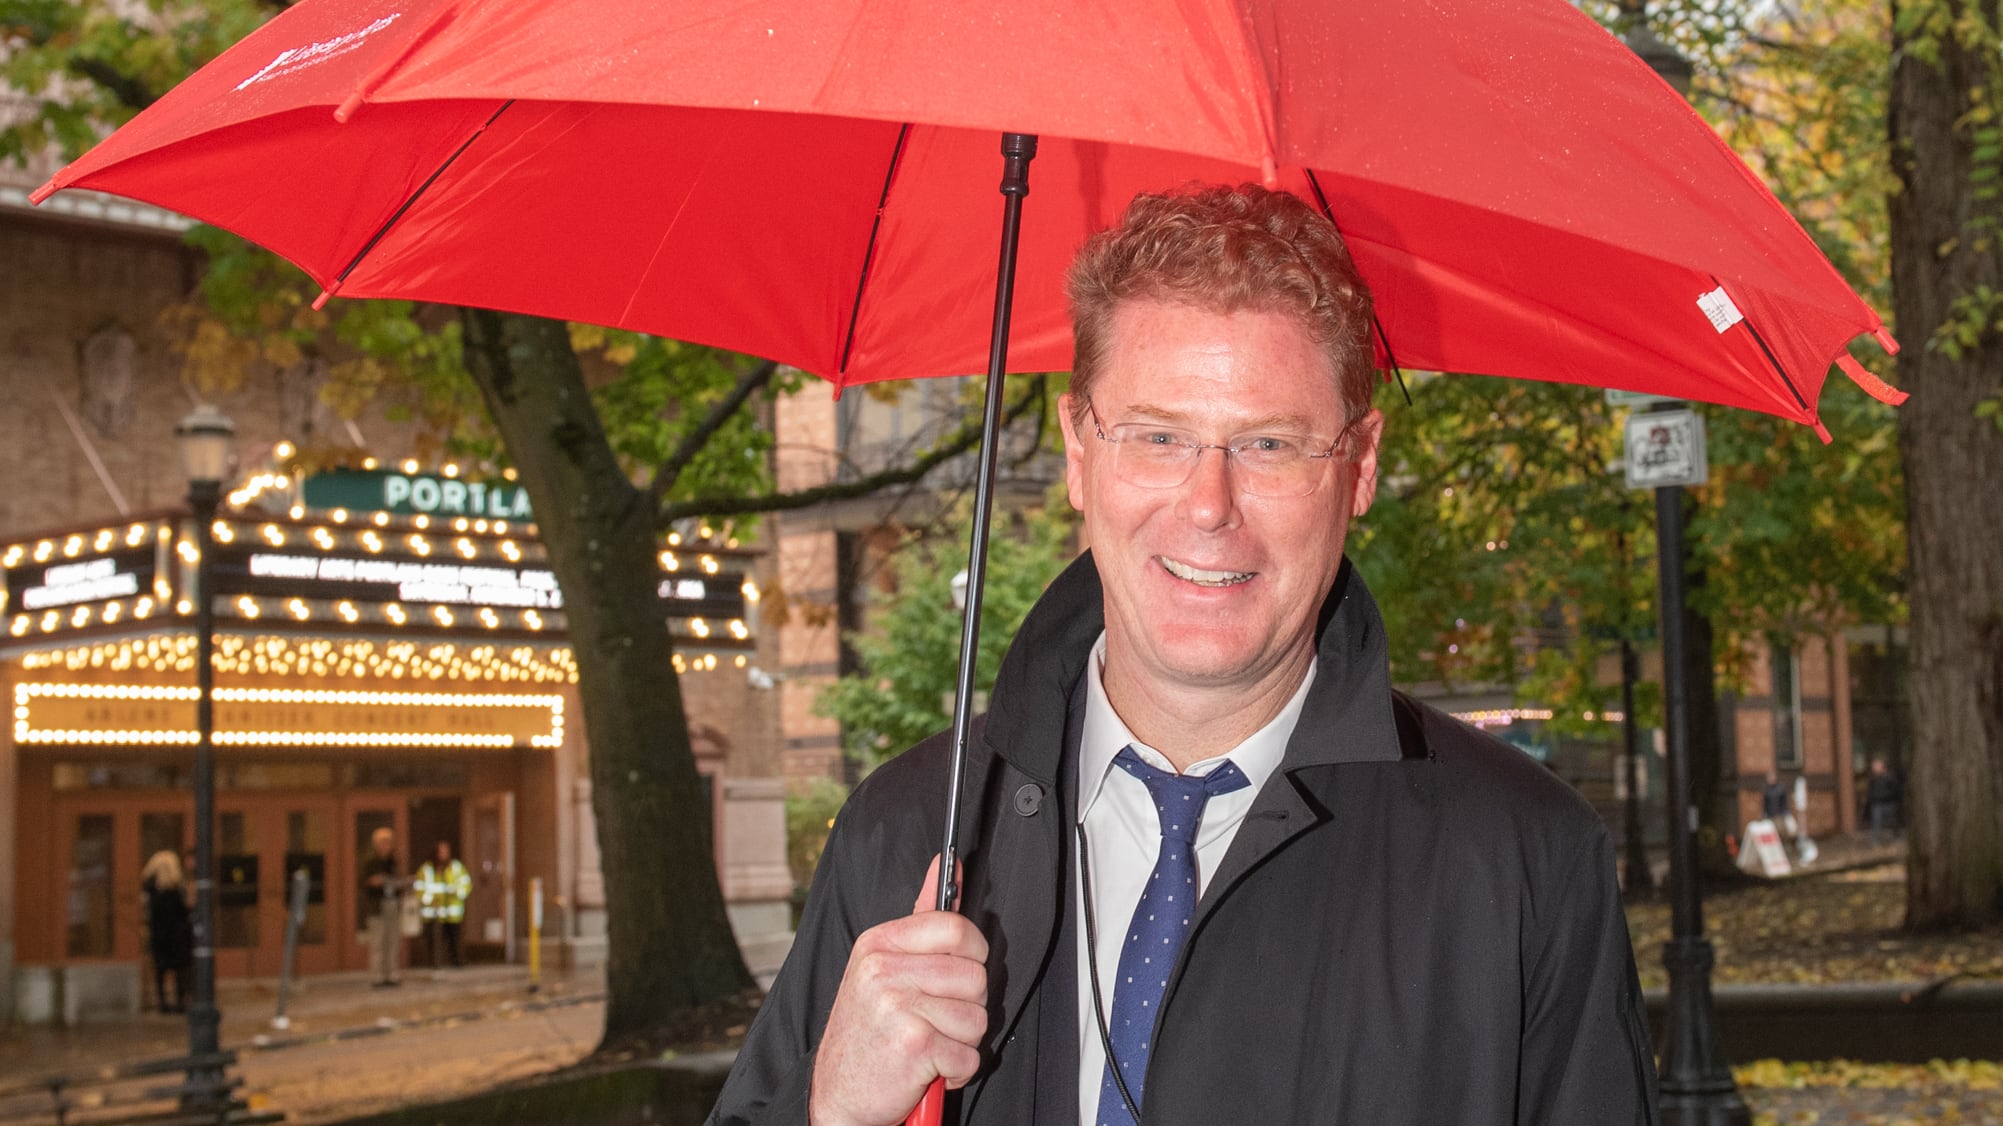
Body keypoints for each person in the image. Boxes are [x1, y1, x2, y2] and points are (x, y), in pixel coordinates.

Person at [710, 184, 1658, 1125]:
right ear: (1079, 450)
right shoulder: (908, 830)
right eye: (1158, 436)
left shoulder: (1524, 860)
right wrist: (832, 1111)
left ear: (1360, 465)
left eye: (1270, 444)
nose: (1208, 505)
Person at [140, 850, 193, 1014]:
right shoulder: (176, 892)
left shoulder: (151, 893)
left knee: (161, 971)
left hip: (159, 937)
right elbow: (184, 913)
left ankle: (163, 1003)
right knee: (179, 971)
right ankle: (179, 1002)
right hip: (176, 937)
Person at [416, 840, 472, 968]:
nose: (444, 854)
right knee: (433, 940)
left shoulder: (456, 867)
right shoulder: (427, 869)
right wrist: (429, 900)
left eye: (446, 851)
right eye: (441, 852)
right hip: (433, 912)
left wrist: (457, 893)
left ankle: (456, 961)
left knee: (454, 939)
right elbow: (419, 888)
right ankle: (435, 963)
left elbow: (466, 884)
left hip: (452, 913)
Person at [359, 826, 403, 987]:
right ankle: (377, 977)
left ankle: (392, 975)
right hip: (376, 906)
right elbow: (362, 883)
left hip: (393, 905)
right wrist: (373, 882)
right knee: (378, 943)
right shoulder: (369, 863)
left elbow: (400, 881)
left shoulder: (394, 863)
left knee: (393, 942)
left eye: (388, 842)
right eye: (382, 842)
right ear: (375, 844)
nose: (385, 845)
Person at [1865, 758, 1903, 846]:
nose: (1874, 768)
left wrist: (1891, 798)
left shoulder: (1890, 777)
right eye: (1873, 767)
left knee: (1892, 821)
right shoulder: (1873, 779)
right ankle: (1875, 840)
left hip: (1888, 803)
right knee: (1876, 822)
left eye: (1876, 766)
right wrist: (1871, 799)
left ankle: (1897, 837)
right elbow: (1870, 790)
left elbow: (1896, 790)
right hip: (1876, 804)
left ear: (1882, 767)